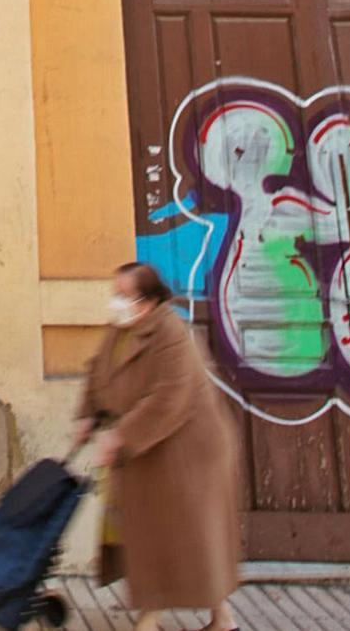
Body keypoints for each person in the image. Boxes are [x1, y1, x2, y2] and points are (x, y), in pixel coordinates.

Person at [73, 262, 241, 631]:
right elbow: (99, 370)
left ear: (147, 301)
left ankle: (154, 619)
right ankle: (220, 617)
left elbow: (170, 397)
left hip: (189, 451)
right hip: (153, 448)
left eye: (123, 294)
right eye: (115, 293)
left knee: (181, 535)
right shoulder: (122, 329)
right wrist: (88, 415)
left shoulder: (171, 332)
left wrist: (120, 436)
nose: (116, 301)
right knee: (175, 537)